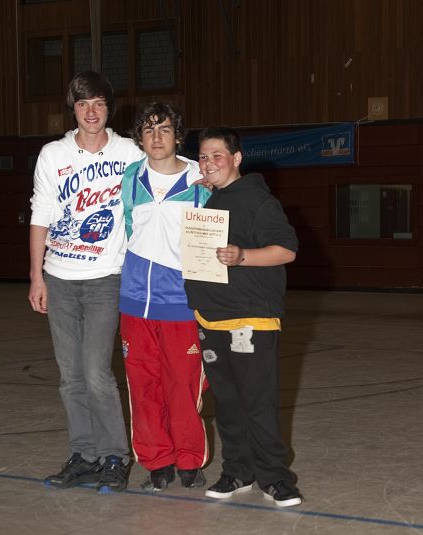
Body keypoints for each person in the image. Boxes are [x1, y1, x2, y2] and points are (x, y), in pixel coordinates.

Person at [28, 71, 143, 493]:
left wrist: (202, 175)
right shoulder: (53, 154)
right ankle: (84, 454)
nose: (91, 112)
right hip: (59, 278)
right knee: (70, 376)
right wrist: (36, 275)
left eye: (98, 103)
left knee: (96, 372)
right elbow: (40, 214)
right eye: (82, 104)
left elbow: (168, 171)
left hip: (105, 278)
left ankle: (114, 456)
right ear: (72, 109)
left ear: (109, 108)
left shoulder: (129, 152)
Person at [183, 127, 302, 507]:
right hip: (212, 317)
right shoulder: (207, 200)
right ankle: (238, 471)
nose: (208, 163)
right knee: (228, 404)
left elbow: (287, 251)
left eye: (217, 155)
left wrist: (242, 256)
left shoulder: (259, 201)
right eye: (203, 157)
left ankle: (275, 478)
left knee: (258, 403)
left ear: (236, 158)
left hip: (251, 319)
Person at [119, 102, 211, 492]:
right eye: (149, 130)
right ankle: (157, 461)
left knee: (183, 385)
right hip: (134, 301)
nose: (157, 137)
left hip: (182, 301)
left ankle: (189, 460)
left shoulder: (200, 179)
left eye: (165, 129)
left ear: (178, 136)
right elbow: (126, 229)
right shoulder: (130, 178)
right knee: (143, 386)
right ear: (139, 138)